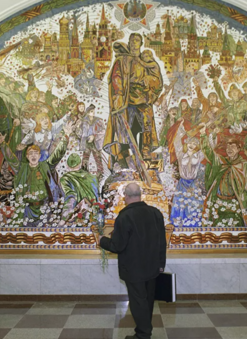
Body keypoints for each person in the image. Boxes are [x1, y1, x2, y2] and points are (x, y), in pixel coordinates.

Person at [99, 183, 166, 339]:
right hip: (153, 267)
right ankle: (144, 331)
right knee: (148, 300)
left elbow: (117, 246)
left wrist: (102, 240)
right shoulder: (156, 213)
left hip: (133, 269)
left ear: (126, 197)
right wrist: (161, 265)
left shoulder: (124, 216)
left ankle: (143, 334)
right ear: (140, 195)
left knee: (138, 302)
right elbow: (162, 243)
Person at [103, 33, 163, 170]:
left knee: (145, 128)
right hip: (126, 101)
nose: (133, 43)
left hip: (143, 101)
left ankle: (145, 155)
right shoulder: (123, 60)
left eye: (136, 40)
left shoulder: (147, 60)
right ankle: (123, 158)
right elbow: (116, 78)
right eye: (131, 40)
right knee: (124, 130)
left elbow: (157, 81)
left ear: (141, 43)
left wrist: (149, 87)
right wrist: (118, 97)